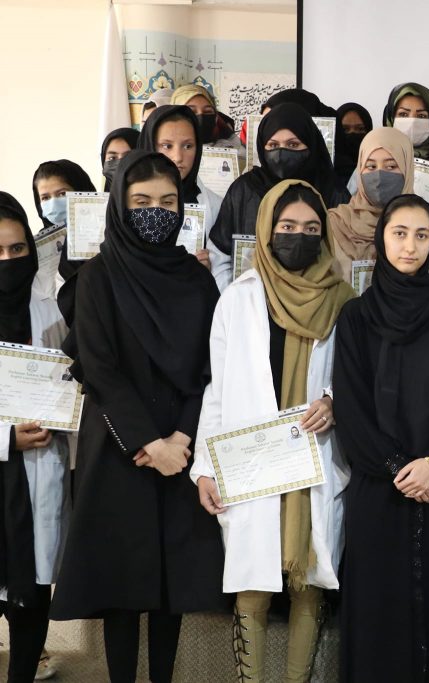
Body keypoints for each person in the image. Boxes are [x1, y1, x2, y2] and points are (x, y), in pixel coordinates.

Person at [50, 150, 225, 683]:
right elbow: (100, 368)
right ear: (121, 206)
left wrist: (183, 438)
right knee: (123, 588)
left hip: (181, 447)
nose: (156, 211)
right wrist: (150, 443)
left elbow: (208, 369)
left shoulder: (196, 282)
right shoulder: (98, 277)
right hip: (121, 446)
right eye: (142, 201)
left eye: (168, 202)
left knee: (170, 589)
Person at [192, 179, 353, 682]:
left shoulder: (345, 301)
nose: (297, 237)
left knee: (309, 579)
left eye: (309, 228)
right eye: (286, 227)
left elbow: (359, 378)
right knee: (252, 578)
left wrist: (334, 403)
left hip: (316, 455)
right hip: (251, 457)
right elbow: (217, 389)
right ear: (265, 230)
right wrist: (205, 469)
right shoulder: (237, 299)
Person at [333, 193, 429, 682]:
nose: (410, 246)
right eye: (399, 233)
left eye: (421, 236)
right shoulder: (355, 317)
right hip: (380, 490)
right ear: (381, 239)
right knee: (380, 616)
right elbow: (351, 410)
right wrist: (399, 467)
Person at [0, 193, 70, 683]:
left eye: (17, 250)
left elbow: (73, 385)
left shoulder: (51, 311)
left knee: (30, 605)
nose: (7, 262)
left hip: (39, 474)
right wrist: (6, 438)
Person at [208, 103, 341, 291]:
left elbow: (342, 257)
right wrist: (236, 299)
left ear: (310, 145)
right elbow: (219, 255)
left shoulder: (331, 191)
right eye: (273, 145)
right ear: (262, 147)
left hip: (316, 304)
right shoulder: (245, 189)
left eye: (293, 144)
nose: (281, 154)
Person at [328, 127, 429, 282]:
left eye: (391, 167)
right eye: (371, 167)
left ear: (407, 168)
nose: (380, 175)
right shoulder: (336, 222)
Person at [138, 105, 224, 274]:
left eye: (188, 146)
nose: (178, 157)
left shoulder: (216, 206)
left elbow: (223, 271)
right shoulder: (128, 202)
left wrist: (205, 273)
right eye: (167, 146)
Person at [31, 159, 97, 319]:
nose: (53, 203)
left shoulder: (109, 236)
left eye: (62, 194)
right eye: (45, 198)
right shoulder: (33, 247)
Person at [382, 82, 429, 166]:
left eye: (421, 116)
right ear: (391, 120)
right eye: (403, 114)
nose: (412, 121)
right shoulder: (376, 156)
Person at [335, 102, 372, 189]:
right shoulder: (324, 171)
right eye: (345, 129)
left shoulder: (376, 169)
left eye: (360, 129)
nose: (352, 134)